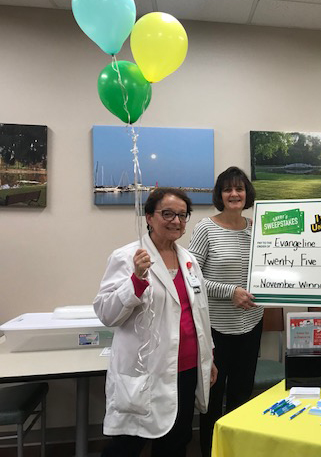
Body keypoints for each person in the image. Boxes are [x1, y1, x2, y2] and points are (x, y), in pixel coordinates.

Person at [94, 188, 217, 457]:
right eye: (167, 214)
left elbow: (199, 313)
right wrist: (136, 280)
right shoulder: (128, 257)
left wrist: (209, 357)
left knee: (176, 442)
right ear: (149, 217)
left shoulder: (189, 261)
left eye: (182, 215)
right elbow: (106, 313)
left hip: (185, 369)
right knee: (127, 445)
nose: (176, 221)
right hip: (145, 371)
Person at [188, 166, 264, 457]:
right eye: (228, 189)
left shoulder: (257, 229)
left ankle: (235, 450)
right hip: (216, 329)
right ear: (220, 195)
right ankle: (211, 450)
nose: (234, 194)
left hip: (251, 325)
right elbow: (190, 278)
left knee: (241, 396)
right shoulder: (206, 228)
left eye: (239, 189)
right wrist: (229, 291)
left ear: (247, 194)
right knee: (213, 399)